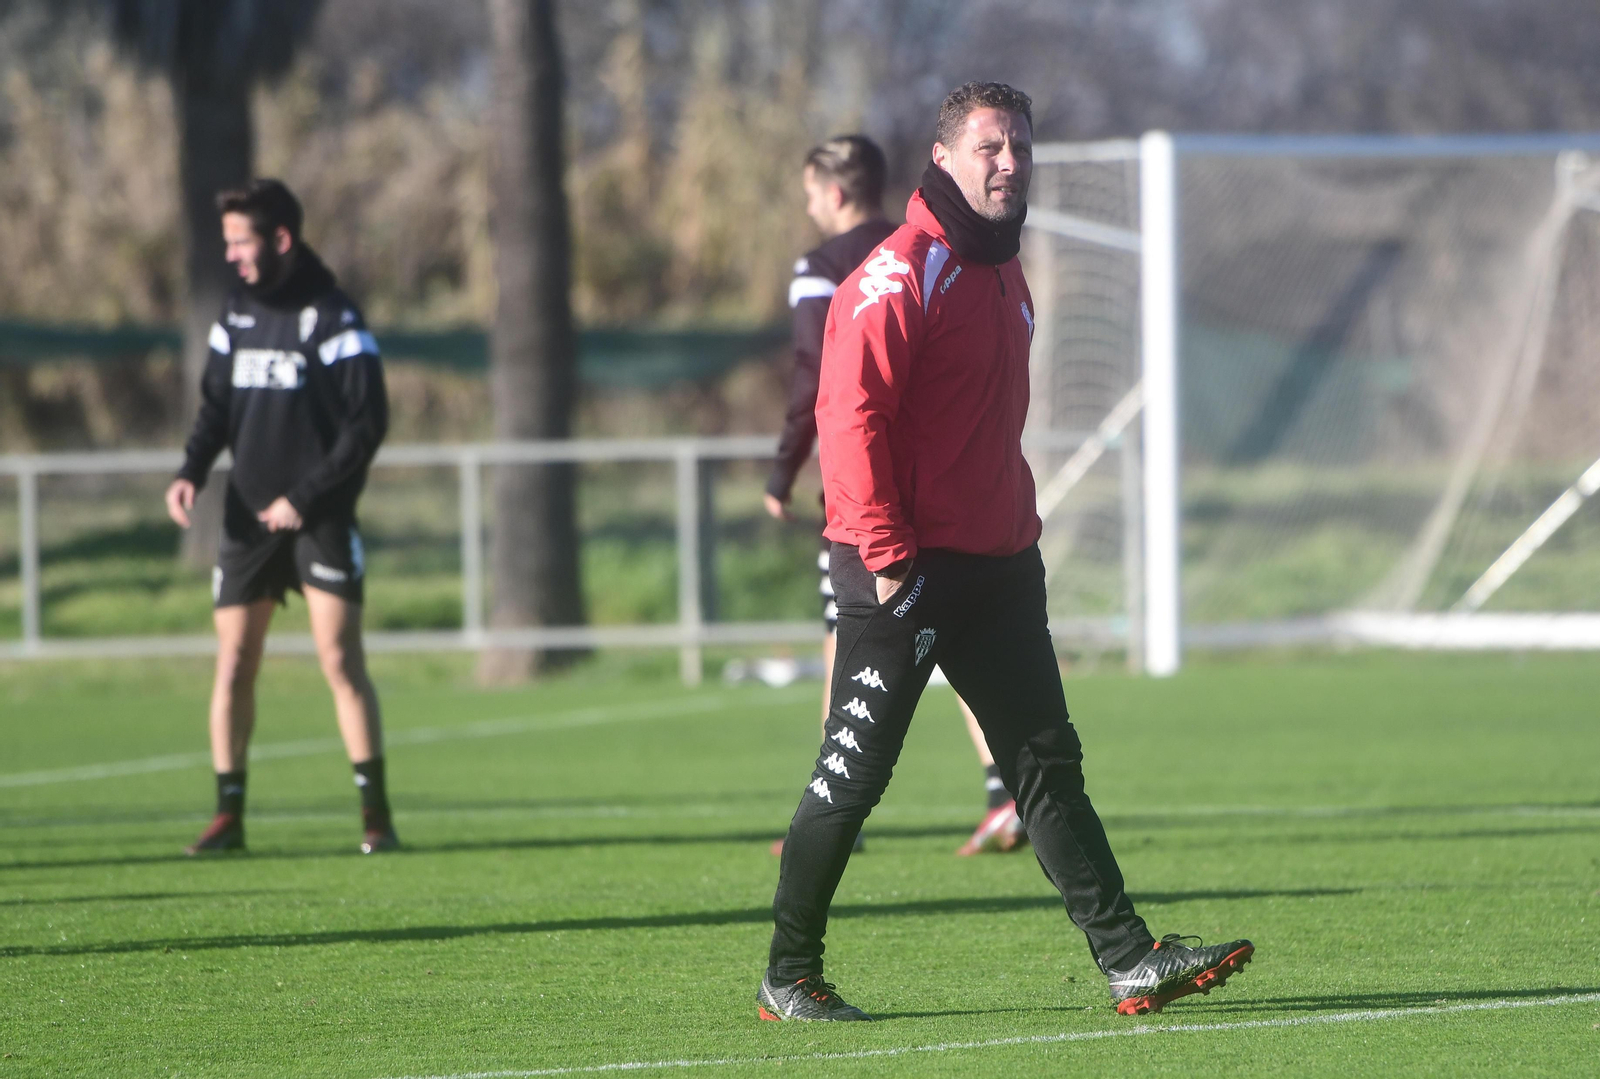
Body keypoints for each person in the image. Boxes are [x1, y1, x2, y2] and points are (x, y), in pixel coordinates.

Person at [756, 83, 1255, 1022]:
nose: (1010, 163)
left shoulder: (1001, 270)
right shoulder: (898, 274)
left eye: (1020, 146)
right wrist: (890, 561)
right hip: (901, 568)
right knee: (852, 775)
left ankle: (1129, 958)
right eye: (989, 147)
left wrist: (1016, 536)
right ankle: (789, 976)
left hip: (998, 565)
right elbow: (847, 417)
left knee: (1045, 765)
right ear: (944, 157)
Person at [765, 135, 1026, 858]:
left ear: (834, 193)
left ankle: (831, 816)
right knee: (962, 641)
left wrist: (783, 471)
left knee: (847, 642)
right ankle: (1003, 790)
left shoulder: (827, 267)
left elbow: (817, 376)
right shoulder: (927, 248)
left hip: (867, 497)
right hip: (950, 492)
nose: (809, 206)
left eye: (811, 193)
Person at [164, 178, 397, 857]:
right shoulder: (237, 312)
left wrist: (306, 496)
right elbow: (216, 407)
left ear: (282, 239)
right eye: (228, 241)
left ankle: (375, 816)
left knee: (340, 659)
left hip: (318, 517)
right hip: (249, 517)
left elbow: (367, 424)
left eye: (242, 241)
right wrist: (190, 469)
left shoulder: (332, 316)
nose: (231, 254)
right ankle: (228, 816)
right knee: (235, 661)